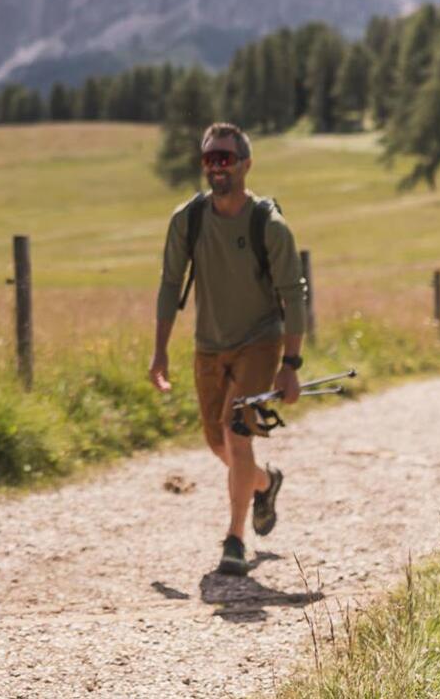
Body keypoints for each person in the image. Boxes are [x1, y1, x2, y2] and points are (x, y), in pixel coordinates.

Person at [149, 122, 308, 577]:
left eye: (226, 158)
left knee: (237, 436)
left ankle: (235, 539)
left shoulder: (269, 225)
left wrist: (291, 365)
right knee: (220, 444)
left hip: (260, 340)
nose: (217, 167)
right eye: (210, 159)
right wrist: (159, 353)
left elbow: (294, 295)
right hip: (208, 347)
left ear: (245, 164)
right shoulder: (188, 219)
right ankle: (264, 483)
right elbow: (169, 284)